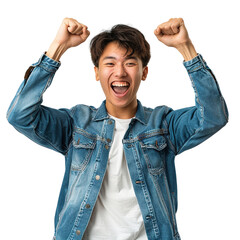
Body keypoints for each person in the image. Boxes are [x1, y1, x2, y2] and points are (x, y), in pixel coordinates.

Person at [7, 17, 228, 240]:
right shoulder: (76, 123)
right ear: (96, 72)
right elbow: (20, 115)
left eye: (130, 63)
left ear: (144, 72)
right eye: (110, 63)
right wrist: (58, 47)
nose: (120, 72)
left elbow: (213, 116)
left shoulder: (164, 124)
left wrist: (185, 47)